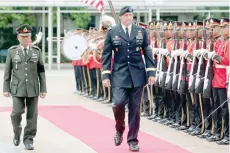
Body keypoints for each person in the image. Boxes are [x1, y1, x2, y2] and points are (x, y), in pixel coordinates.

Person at [101, 6, 155, 152]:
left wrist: (151, 73)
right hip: (119, 74)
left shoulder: (141, 31)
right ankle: (120, 128)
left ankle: (133, 140)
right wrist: (105, 75)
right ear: (121, 17)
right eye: (126, 15)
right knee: (118, 103)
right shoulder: (113, 32)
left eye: (131, 15)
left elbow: (147, 51)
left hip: (137, 75)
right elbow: (106, 55)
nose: (129, 18)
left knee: (135, 109)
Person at [3, 24, 47, 150]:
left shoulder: (36, 52)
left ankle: (29, 139)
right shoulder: (12, 51)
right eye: (22, 36)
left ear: (30, 37)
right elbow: (7, 71)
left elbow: (41, 71)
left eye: (27, 36)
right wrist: (5, 88)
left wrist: (43, 89)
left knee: (32, 116)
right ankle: (17, 133)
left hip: (33, 88)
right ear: (18, 37)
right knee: (16, 113)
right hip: (17, 89)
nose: (25, 39)